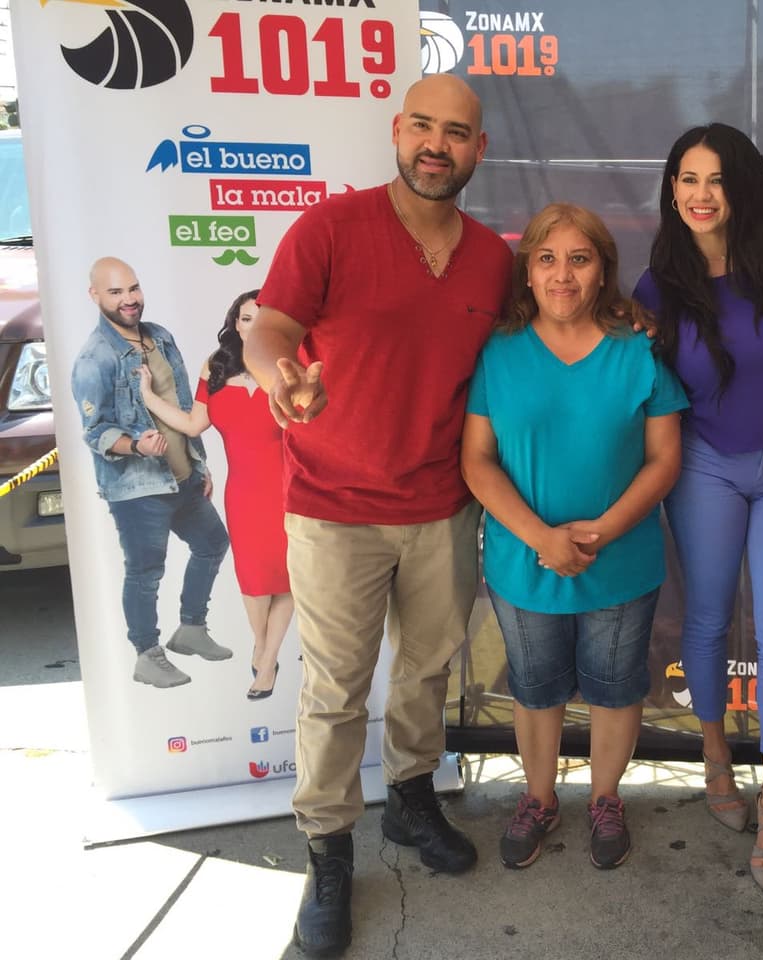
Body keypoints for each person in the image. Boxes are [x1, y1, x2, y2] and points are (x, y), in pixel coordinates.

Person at [243, 75, 512, 957]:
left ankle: (410, 799)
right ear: (398, 132)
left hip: (442, 505)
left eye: (456, 133)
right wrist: (282, 376)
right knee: (335, 691)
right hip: (335, 508)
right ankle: (328, 852)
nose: (437, 145)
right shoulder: (331, 227)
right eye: (423, 127)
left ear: (479, 148)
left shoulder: (492, 258)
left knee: (427, 670)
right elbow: (269, 328)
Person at [461, 202, 687, 872]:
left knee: (616, 687)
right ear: (528, 271)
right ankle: (538, 798)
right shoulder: (499, 353)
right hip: (524, 560)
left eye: (579, 260)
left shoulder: (638, 351)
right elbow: (477, 460)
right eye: (548, 259)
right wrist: (542, 537)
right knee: (535, 689)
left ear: (603, 271)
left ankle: (606, 799)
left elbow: (664, 460)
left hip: (619, 561)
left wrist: (602, 532)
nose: (563, 275)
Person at [632, 123, 763, 893]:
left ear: (743, 187)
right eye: (687, 178)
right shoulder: (658, 286)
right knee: (706, 619)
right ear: (672, 189)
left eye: (715, 179)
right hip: (703, 466)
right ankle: (715, 755)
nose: (700, 194)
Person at [71, 257, 231, 689]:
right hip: (138, 488)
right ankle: (146, 654)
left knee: (213, 544)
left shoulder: (160, 336)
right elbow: (95, 430)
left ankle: (191, 628)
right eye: (116, 292)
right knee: (145, 571)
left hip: (182, 476)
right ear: (95, 295)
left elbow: (183, 405)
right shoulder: (95, 358)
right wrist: (135, 445)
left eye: (133, 288)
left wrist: (199, 463)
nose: (129, 299)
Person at [138, 289, 293, 700]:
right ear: (234, 324)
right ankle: (262, 646)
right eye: (245, 318)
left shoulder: (288, 364)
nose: (253, 326)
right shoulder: (216, 365)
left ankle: (266, 659)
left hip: (290, 489)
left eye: (261, 318)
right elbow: (193, 424)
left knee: (289, 577)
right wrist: (149, 397)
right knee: (254, 581)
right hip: (243, 492)